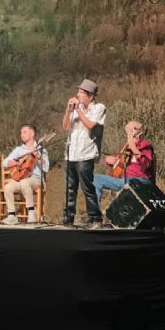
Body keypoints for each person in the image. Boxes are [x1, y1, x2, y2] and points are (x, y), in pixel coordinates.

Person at [62, 78, 105, 229]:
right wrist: (69, 110)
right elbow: (66, 127)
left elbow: (90, 125)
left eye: (81, 92)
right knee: (69, 188)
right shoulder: (75, 109)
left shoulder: (99, 108)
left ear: (90, 96)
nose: (78, 95)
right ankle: (68, 219)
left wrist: (78, 110)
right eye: (78, 92)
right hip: (71, 153)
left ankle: (95, 218)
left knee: (88, 187)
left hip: (85, 154)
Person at [94, 120, 154, 204]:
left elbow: (145, 165)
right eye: (128, 130)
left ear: (140, 131)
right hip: (123, 180)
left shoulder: (145, 145)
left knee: (126, 184)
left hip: (139, 180)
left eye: (132, 129)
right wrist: (110, 160)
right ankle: (95, 213)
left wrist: (133, 145)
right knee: (95, 179)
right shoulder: (127, 147)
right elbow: (121, 163)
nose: (129, 132)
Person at [1, 124, 49, 225]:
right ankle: (12, 215)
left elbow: (46, 167)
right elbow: (4, 163)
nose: (21, 134)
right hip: (21, 178)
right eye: (21, 132)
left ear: (32, 134)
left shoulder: (41, 149)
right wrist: (15, 163)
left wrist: (39, 157)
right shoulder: (18, 150)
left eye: (24, 132)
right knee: (8, 187)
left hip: (36, 179)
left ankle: (31, 211)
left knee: (24, 182)